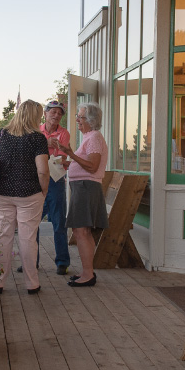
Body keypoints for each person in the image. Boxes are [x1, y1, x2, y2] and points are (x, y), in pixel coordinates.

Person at [0, 100, 50, 294]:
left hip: (1, 193)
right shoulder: (37, 138)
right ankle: (32, 283)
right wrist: (44, 191)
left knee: (3, 237)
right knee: (27, 239)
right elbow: (42, 170)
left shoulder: (2, 134)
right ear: (34, 116)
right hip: (29, 194)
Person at [56, 102, 108, 287]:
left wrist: (70, 153)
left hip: (86, 188)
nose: (77, 119)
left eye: (80, 117)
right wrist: (71, 163)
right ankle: (87, 272)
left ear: (91, 120)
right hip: (84, 187)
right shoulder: (89, 137)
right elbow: (87, 163)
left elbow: (93, 166)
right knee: (82, 231)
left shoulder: (93, 137)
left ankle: (88, 274)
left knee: (81, 231)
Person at [33, 100, 71, 275]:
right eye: (53, 112)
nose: (56, 115)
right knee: (32, 222)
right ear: (45, 113)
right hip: (36, 179)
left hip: (55, 180)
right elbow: (34, 153)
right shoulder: (35, 130)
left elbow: (60, 157)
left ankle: (62, 261)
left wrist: (45, 148)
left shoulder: (64, 133)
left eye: (60, 113)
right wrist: (49, 146)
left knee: (58, 222)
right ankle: (32, 260)